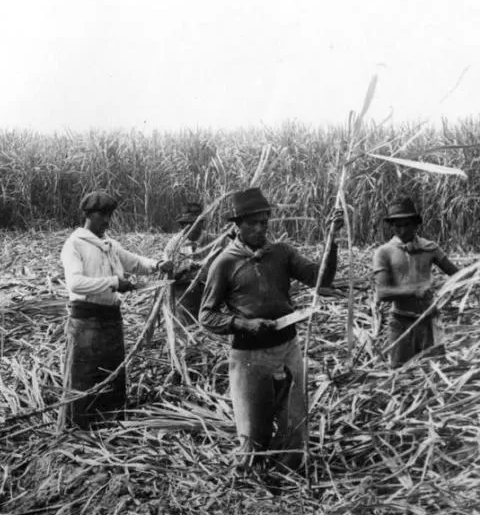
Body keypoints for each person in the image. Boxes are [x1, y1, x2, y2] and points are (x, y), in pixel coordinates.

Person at [199, 187, 342, 479]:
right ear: (237, 225)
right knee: (253, 431)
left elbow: (320, 279)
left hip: (287, 348)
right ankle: (254, 484)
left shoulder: (281, 253)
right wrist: (243, 324)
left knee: (294, 421)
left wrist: (332, 238)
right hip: (250, 356)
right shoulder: (224, 263)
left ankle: (289, 479)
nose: (259, 228)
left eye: (264, 222)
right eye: (252, 223)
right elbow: (206, 315)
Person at [59, 191, 173, 430]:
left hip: (111, 318)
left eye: (110, 215)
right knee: (85, 376)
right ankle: (79, 429)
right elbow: (75, 284)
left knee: (112, 371)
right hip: (86, 320)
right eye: (103, 215)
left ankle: (109, 425)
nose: (107, 221)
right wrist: (113, 282)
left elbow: (135, 262)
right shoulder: (75, 245)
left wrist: (158, 265)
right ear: (89, 215)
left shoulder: (109, 245)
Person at [373, 196, 461, 368]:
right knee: (401, 376)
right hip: (400, 323)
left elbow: (457, 275)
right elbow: (382, 293)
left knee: (435, 371)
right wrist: (414, 290)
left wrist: (449, 291)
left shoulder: (430, 248)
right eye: (398, 225)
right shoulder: (384, 252)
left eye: (407, 225)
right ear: (392, 226)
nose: (403, 230)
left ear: (415, 224)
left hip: (429, 322)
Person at [162, 201, 227, 322]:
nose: (191, 228)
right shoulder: (173, 245)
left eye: (194, 223)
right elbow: (166, 277)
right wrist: (184, 269)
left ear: (201, 223)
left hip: (210, 296)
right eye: (186, 224)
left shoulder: (216, 241)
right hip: (183, 299)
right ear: (181, 226)